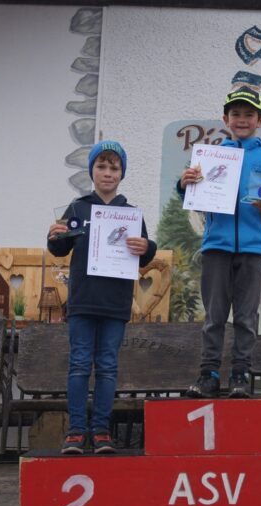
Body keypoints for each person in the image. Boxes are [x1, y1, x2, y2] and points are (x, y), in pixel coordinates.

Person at [178, 86, 261, 398]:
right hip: (216, 246)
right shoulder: (210, 157)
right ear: (225, 119)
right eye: (235, 114)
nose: (242, 119)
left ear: (260, 120)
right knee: (214, 315)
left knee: (246, 316)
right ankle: (209, 375)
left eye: (249, 114)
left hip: (253, 249)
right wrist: (184, 184)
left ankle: (240, 375)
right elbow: (192, 194)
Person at [48, 140, 156, 454]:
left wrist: (147, 247)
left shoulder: (131, 214)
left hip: (115, 303)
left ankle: (101, 432)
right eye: (102, 166)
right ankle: (76, 432)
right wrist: (53, 237)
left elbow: (144, 251)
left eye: (114, 167)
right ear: (92, 170)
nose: (108, 173)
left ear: (122, 173)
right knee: (79, 365)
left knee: (108, 367)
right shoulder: (77, 208)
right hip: (83, 301)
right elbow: (60, 248)